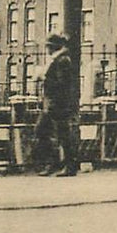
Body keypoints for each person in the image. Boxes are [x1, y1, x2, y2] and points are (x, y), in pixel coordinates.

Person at [34, 33, 78, 176]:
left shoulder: (61, 61)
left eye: (48, 46)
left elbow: (61, 84)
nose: (46, 49)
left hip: (56, 104)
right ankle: (62, 165)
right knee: (59, 134)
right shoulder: (59, 60)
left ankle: (61, 165)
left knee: (48, 132)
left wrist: (43, 77)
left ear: (53, 47)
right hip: (53, 103)